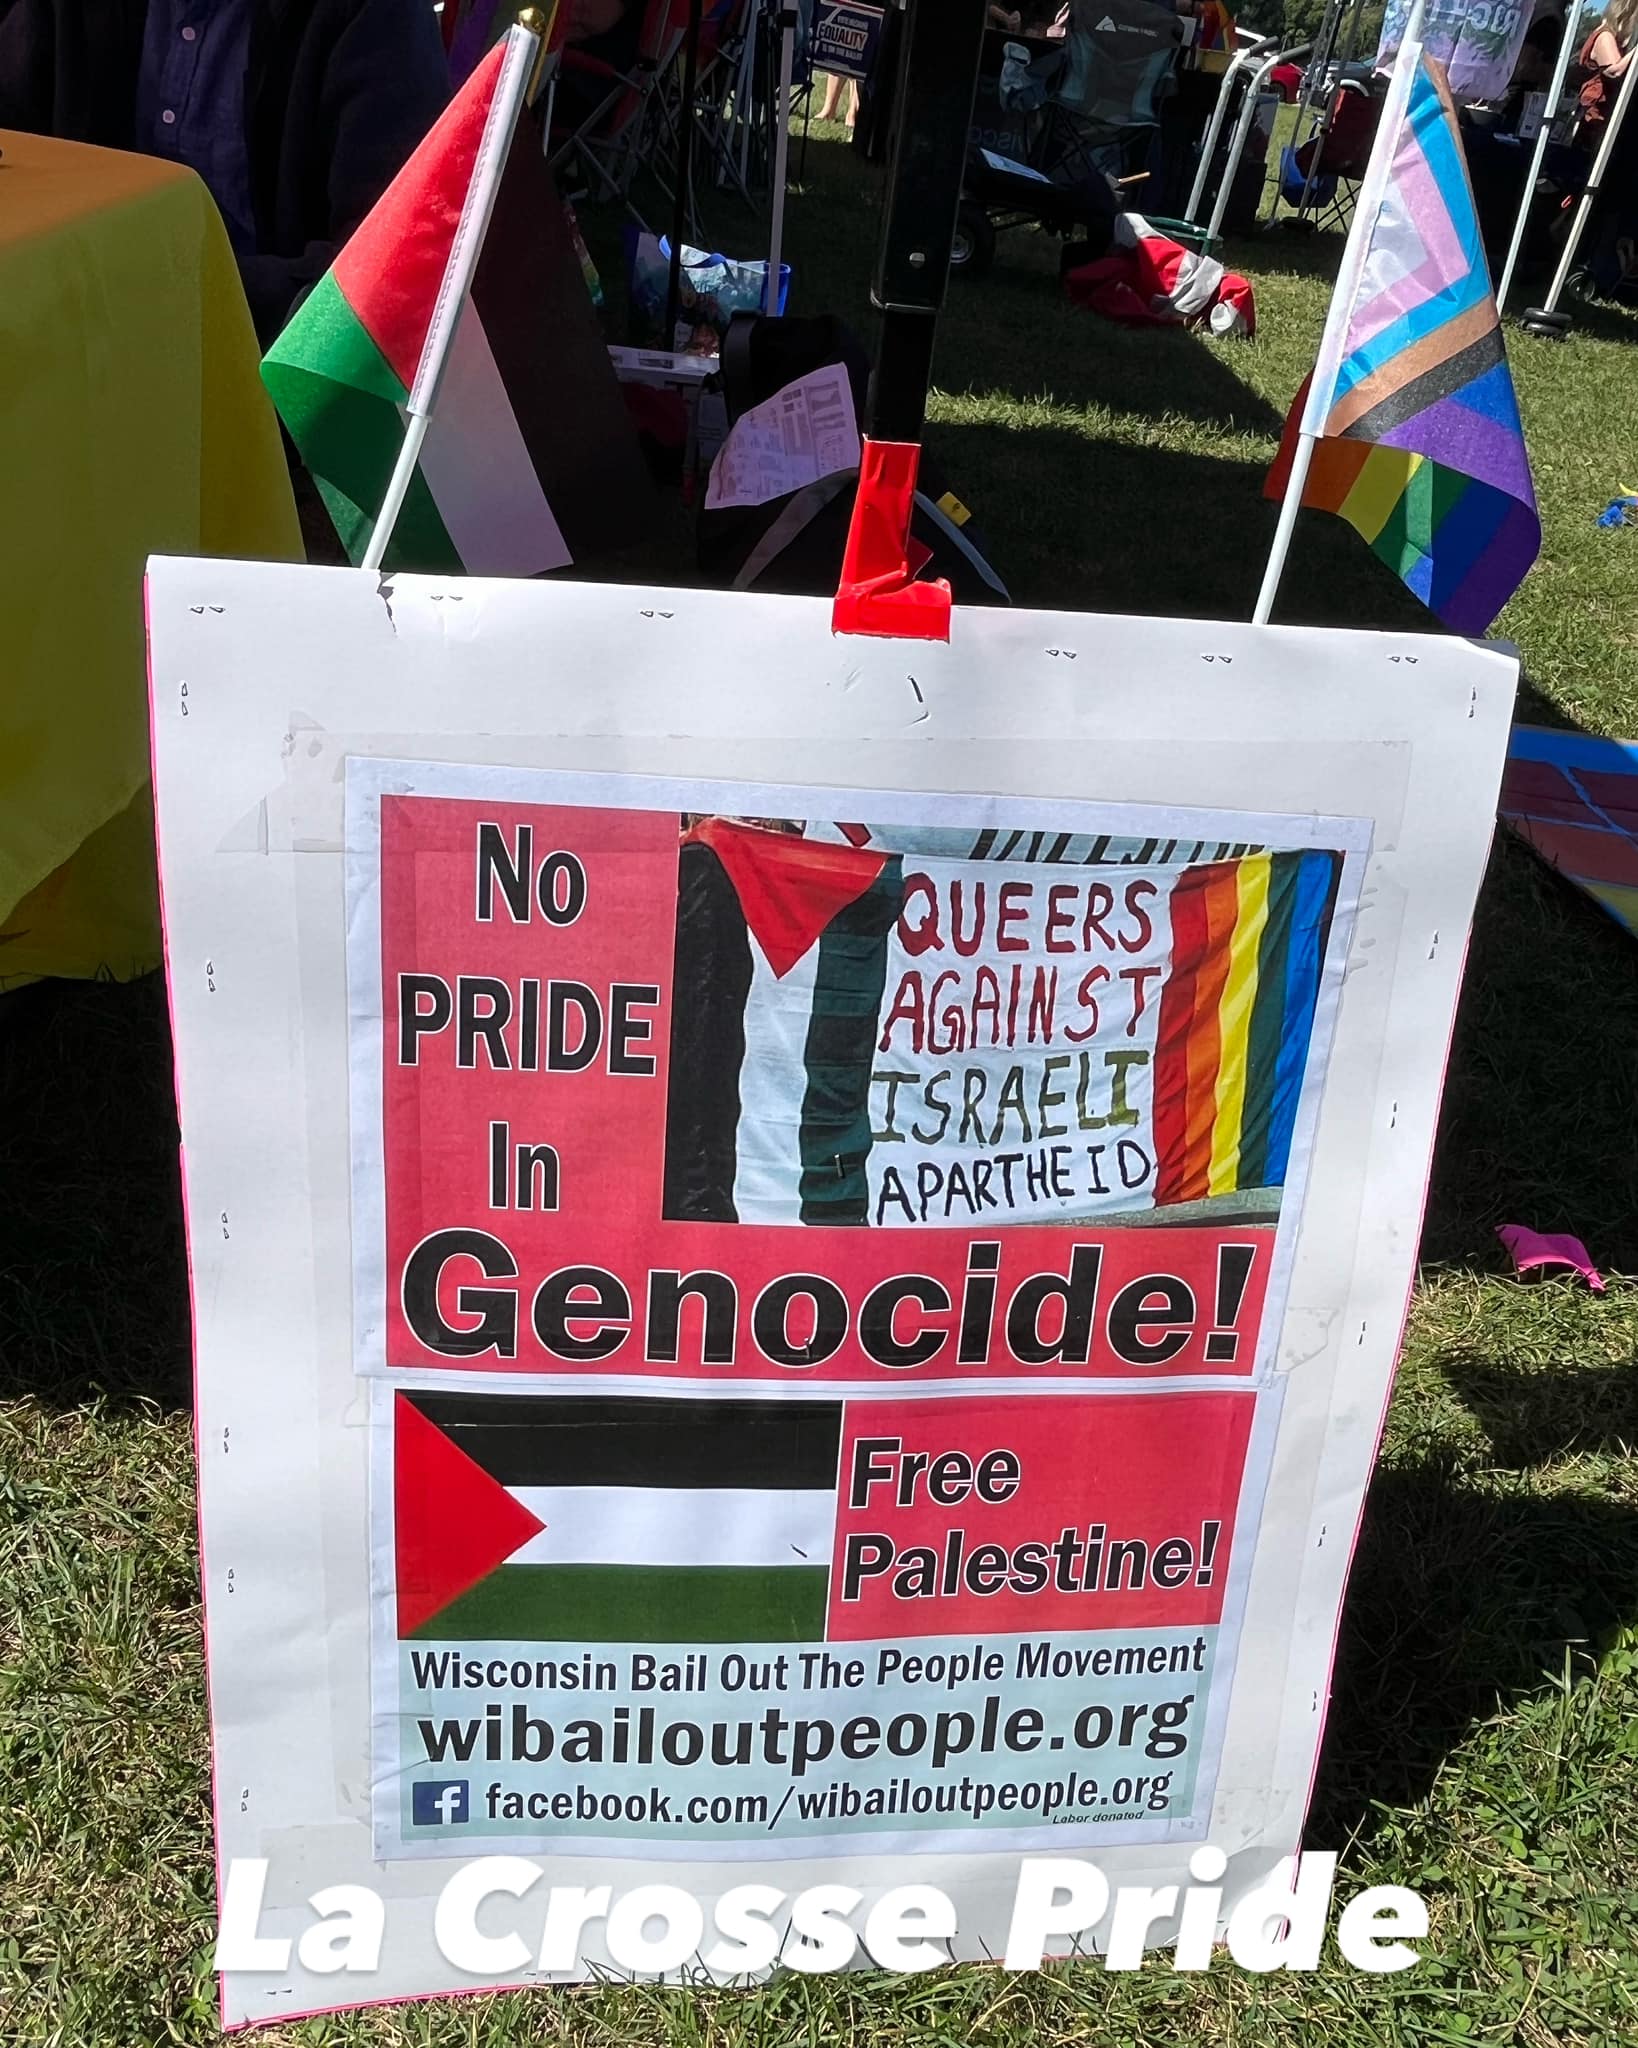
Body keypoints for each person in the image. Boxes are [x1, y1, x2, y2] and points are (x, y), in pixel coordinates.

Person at [0, 0, 449, 342]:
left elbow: (392, 272)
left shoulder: (377, 16)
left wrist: (163, 295)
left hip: (269, 379)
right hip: (73, 351)